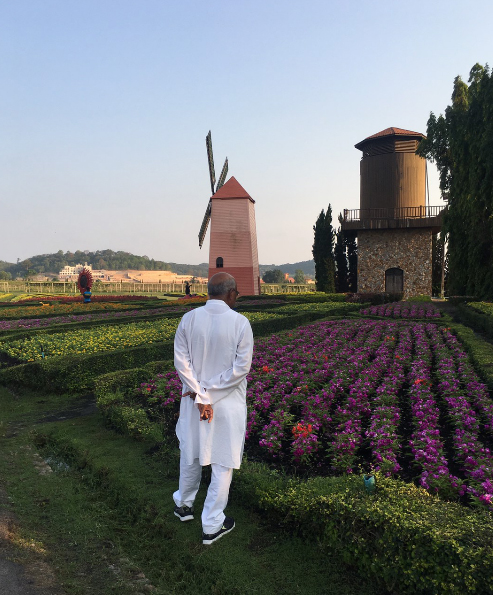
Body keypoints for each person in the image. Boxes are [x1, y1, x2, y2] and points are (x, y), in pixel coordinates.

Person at [173, 272, 253, 545]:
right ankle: (211, 524)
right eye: (237, 293)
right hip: (226, 403)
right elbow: (240, 370)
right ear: (231, 293)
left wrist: (200, 394)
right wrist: (208, 393)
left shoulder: (189, 319)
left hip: (193, 401)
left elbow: (181, 362)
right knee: (222, 460)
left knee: (191, 453)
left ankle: (184, 505)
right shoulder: (240, 323)